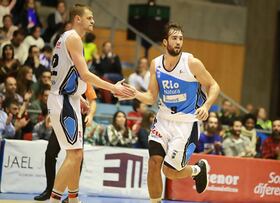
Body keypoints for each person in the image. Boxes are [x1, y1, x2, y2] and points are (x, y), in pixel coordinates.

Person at [46, 4, 134, 203]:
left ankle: (74, 199)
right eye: (89, 18)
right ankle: (54, 200)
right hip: (63, 101)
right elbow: (85, 74)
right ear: (78, 19)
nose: (93, 21)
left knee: (76, 154)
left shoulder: (66, 38)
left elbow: (69, 71)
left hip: (68, 98)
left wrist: (80, 96)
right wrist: (114, 88)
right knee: (74, 155)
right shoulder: (74, 39)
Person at [125, 22, 220, 202]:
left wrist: (206, 106)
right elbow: (152, 97)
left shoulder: (192, 63)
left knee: (169, 171)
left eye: (180, 39)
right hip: (162, 120)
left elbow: (214, 85)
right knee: (154, 164)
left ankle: (198, 169)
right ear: (165, 42)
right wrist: (135, 93)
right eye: (174, 38)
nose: (178, 42)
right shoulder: (156, 64)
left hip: (186, 124)